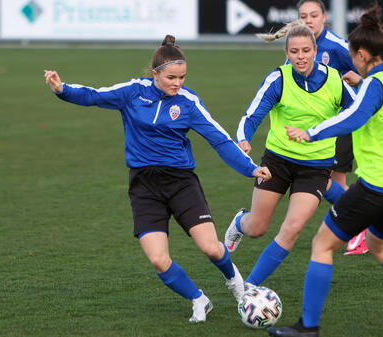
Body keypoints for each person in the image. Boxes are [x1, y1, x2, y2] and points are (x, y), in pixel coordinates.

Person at [43, 35, 271, 323]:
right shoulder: (132, 92)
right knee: (158, 260)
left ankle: (235, 281)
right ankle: (198, 299)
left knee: (211, 247)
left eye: (182, 77)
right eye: (171, 77)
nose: (177, 83)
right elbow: (94, 96)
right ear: (155, 75)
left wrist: (250, 168)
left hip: (180, 182)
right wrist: (62, 90)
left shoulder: (188, 102)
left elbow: (220, 140)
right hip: (144, 185)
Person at [268, 5, 383, 337]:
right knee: (381, 245)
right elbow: (379, 101)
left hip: (380, 187)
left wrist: (312, 132)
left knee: (321, 244)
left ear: (362, 54)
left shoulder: (373, 86)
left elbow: (354, 118)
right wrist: (361, 81)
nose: (352, 61)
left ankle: (308, 327)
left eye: (353, 57)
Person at [224, 25, 355, 288]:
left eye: (306, 50)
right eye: (294, 51)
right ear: (287, 53)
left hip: (316, 168)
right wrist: (243, 139)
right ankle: (240, 220)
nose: (301, 56)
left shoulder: (334, 81)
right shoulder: (278, 79)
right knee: (257, 228)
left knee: (292, 229)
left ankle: (248, 289)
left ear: (316, 51)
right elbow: (252, 115)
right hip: (277, 163)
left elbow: (358, 113)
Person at [258, 0, 368, 255]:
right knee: (327, 184)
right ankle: (356, 222)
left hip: (334, 124)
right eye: (303, 15)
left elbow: (370, 79)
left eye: (314, 15)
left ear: (324, 17)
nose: (309, 19)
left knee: (334, 181)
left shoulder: (339, 47)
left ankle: (356, 229)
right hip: (302, 131)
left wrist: (359, 80)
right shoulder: (297, 48)